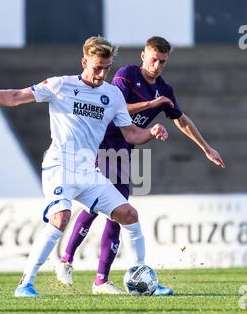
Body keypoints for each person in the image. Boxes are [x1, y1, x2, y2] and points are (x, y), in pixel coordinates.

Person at [0, 36, 169, 297]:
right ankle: (25, 284)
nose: (102, 73)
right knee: (60, 218)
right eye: (97, 67)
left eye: (106, 68)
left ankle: (141, 277)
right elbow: (16, 97)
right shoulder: (60, 85)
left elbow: (130, 134)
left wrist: (151, 131)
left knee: (129, 215)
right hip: (60, 166)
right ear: (84, 62)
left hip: (88, 172)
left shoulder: (113, 94)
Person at [55, 36, 226, 295]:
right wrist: (151, 105)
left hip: (125, 151)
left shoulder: (164, 90)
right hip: (102, 145)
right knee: (105, 206)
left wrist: (206, 148)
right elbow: (117, 107)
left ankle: (100, 279)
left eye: (163, 61)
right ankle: (68, 261)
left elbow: (181, 120)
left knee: (116, 213)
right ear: (144, 56)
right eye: (154, 59)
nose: (157, 65)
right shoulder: (127, 75)